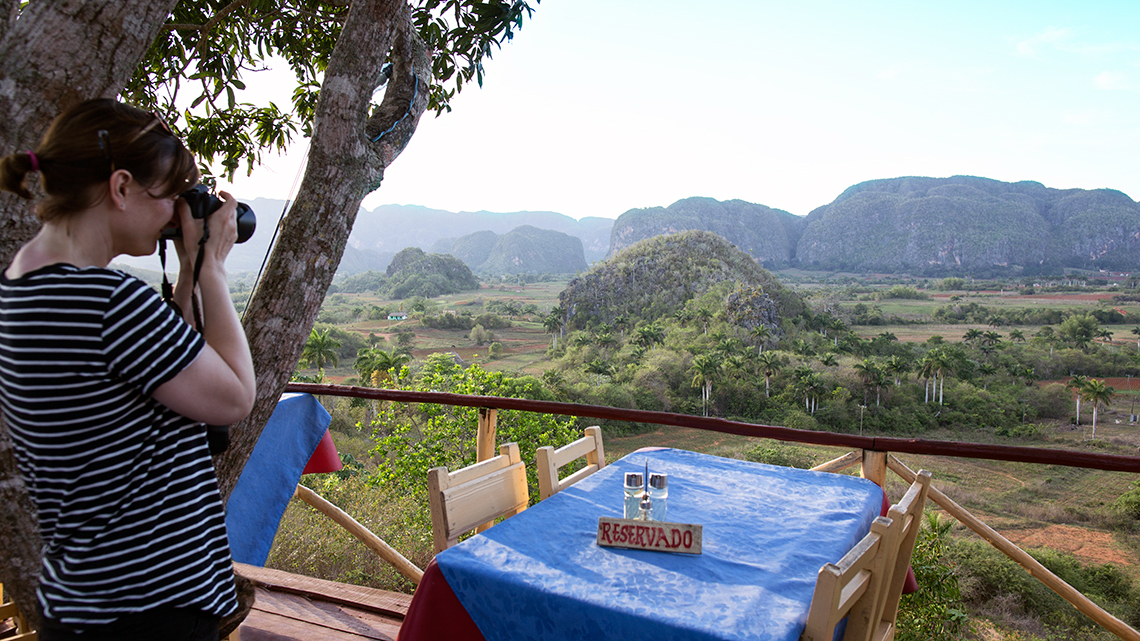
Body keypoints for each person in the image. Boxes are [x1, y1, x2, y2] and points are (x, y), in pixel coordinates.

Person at [0, 99, 256, 640]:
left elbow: (171, 373)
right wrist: (212, 269)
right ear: (120, 188)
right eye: (167, 197)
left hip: (86, 600)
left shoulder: (20, 291)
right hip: (152, 606)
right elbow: (233, 396)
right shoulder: (106, 302)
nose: (173, 215)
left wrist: (186, 272)